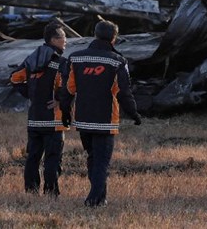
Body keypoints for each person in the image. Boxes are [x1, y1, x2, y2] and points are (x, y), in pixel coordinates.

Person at [58, 19, 141, 207]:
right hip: (106, 120)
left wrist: (65, 112)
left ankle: (101, 198)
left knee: (93, 159)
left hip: (84, 119)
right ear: (114, 38)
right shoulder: (118, 61)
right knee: (102, 162)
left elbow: (68, 89)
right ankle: (93, 199)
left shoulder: (75, 58)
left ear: (95, 34)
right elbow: (123, 91)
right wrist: (134, 113)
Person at [9, 20, 69, 196]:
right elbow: (68, 86)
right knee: (52, 158)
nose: (66, 41)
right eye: (63, 37)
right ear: (53, 39)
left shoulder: (31, 59)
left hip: (34, 118)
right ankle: (51, 193)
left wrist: (31, 94)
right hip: (53, 120)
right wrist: (59, 99)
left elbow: (14, 78)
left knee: (33, 157)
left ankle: (31, 191)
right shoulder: (60, 62)